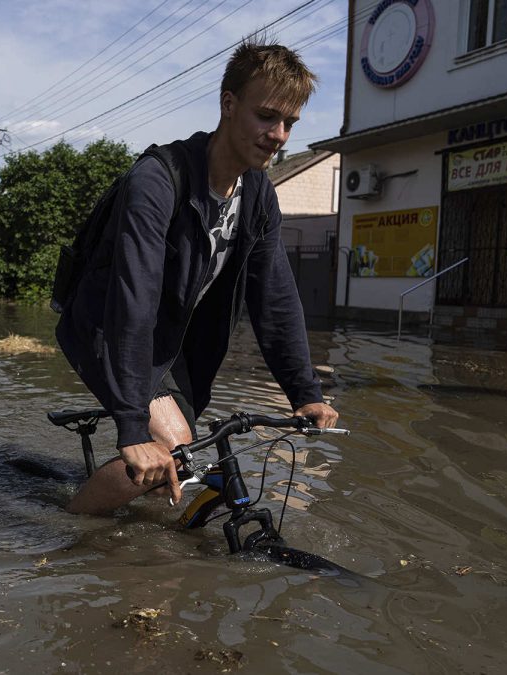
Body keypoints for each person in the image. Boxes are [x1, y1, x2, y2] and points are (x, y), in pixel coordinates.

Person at [55, 39, 339, 515]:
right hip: (107, 325)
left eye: (290, 123)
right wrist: (129, 424)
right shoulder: (157, 179)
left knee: (179, 458)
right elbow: (133, 297)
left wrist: (305, 392)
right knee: (174, 445)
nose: (280, 135)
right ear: (228, 103)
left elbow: (275, 298)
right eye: (268, 116)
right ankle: (63, 526)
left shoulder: (258, 194)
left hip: (171, 342)